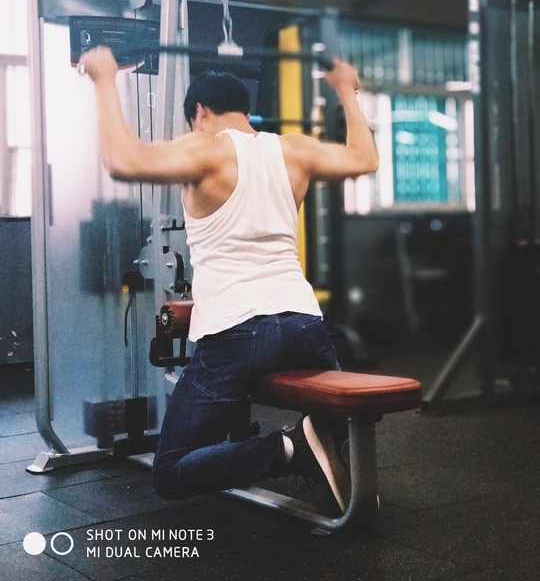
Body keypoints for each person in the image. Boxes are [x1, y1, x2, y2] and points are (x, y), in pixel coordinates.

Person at [81, 46, 379, 514]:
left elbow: (124, 161)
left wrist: (103, 78)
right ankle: (320, 447)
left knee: (170, 472)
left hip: (238, 332)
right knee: (333, 424)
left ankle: (287, 449)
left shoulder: (206, 147)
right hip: (304, 324)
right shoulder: (294, 149)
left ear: (200, 112)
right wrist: (347, 89)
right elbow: (365, 158)